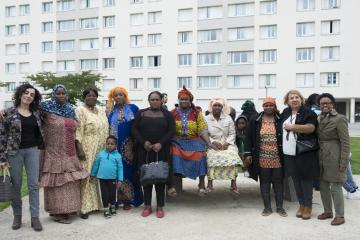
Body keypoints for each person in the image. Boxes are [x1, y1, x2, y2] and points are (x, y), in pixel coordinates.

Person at [40, 84, 88, 224]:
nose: (61, 96)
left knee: (70, 182)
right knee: (57, 183)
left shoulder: (70, 110)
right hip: (53, 153)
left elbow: (76, 128)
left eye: (63, 93)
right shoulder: (45, 109)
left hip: (69, 152)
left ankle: (69, 209)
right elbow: (27, 111)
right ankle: (57, 213)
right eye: (58, 93)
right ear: (53, 94)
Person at [0, 83, 44, 231]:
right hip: (14, 153)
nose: (28, 96)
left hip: (32, 151)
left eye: (32, 95)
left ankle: (35, 218)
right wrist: (2, 159)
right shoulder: (8, 113)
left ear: (34, 98)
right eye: (26, 93)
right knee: (16, 186)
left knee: (33, 185)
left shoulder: (37, 112)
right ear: (20, 94)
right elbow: (2, 137)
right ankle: (17, 217)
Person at [132, 91, 175, 218]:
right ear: (148, 101)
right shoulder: (141, 113)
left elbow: (171, 130)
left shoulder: (166, 114)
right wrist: (143, 142)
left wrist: (161, 143)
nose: (155, 101)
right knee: (146, 179)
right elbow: (134, 129)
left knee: (160, 178)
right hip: (145, 151)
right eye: (152, 99)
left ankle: (160, 206)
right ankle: (147, 206)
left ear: (162, 100)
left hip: (161, 151)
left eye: (157, 99)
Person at [170, 86, 217, 196]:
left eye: (186, 99)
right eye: (181, 99)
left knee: (201, 154)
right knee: (172, 154)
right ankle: (171, 185)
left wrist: (209, 143)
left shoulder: (196, 113)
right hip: (177, 140)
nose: (184, 101)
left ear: (190, 101)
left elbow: (202, 129)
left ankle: (201, 184)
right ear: (178, 100)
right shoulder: (172, 113)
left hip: (193, 140)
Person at [245, 97, 287, 217]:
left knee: (278, 183)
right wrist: (247, 153)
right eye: (266, 105)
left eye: (271, 105)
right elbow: (248, 138)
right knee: (265, 182)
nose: (268, 107)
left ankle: (280, 207)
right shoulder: (255, 119)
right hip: (262, 156)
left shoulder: (280, 119)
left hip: (278, 156)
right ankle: (267, 208)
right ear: (263, 107)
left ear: (274, 106)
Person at [281, 90, 319, 220]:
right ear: (287, 101)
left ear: (301, 99)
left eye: (297, 97)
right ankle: (301, 204)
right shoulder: (285, 112)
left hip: (304, 152)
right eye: (291, 98)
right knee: (295, 179)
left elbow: (311, 128)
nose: (294, 99)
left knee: (306, 179)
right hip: (288, 153)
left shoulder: (308, 112)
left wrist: (293, 127)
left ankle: (308, 206)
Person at [107, 86, 143, 209]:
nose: (118, 97)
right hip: (115, 146)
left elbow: (139, 126)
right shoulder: (110, 112)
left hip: (130, 145)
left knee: (129, 172)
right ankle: (117, 200)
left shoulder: (133, 108)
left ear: (125, 96)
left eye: (120, 94)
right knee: (116, 172)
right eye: (115, 95)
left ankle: (129, 200)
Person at [76, 87, 109, 219]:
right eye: (88, 95)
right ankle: (84, 208)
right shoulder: (80, 110)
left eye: (94, 95)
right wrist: (79, 148)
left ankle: (94, 205)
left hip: (101, 148)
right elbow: (78, 130)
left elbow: (106, 129)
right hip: (87, 148)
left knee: (96, 176)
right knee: (86, 176)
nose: (91, 98)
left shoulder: (100, 111)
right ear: (84, 97)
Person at [317, 93, 350, 225]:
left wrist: (343, 161)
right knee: (323, 185)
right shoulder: (319, 118)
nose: (324, 105)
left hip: (334, 156)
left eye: (327, 103)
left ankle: (340, 215)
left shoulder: (340, 119)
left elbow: (345, 142)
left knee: (335, 186)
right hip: (321, 155)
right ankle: (328, 211)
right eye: (322, 103)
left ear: (332, 104)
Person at [205, 97, 241, 193]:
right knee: (211, 156)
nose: (217, 107)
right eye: (215, 105)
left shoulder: (228, 118)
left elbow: (232, 133)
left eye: (219, 105)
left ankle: (233, 183)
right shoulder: (206, 118)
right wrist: (213, 142)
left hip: (227, 143)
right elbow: (205, 134)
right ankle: (210, 183)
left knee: (233, 154)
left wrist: (227, 143)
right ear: (211, 107)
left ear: (222, 107)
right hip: (212, 144)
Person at [90, 135, 123, 219]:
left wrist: (120, 179)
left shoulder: (118, 156)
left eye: (112, 144)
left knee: (112, 194)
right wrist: (93, 174)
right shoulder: (101, 154)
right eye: (108, 143)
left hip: (112, 178)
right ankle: (106, 209)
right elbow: (96, 165)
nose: (109, 145)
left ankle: (112, 206)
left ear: (115, 145)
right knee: (105, 194)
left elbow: (120, 168)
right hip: (102, 178)